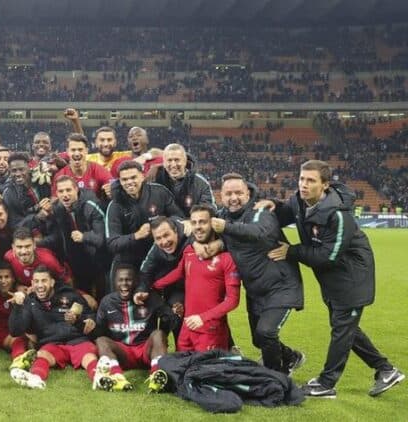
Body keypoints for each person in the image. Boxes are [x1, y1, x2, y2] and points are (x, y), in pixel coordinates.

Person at [263, 160, 404, 398]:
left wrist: (292, 250)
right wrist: (273, 205)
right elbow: (287, 213)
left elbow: (328, 256)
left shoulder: (338, 215)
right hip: (334, 279)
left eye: (310, 181)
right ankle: (386, 369)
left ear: (325, 185)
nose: (303, 185)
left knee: (342, 329)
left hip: (352, 278)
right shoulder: (299, 200)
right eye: (301, 179)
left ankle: (327, 382)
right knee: (346, 328)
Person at [211, 173, 305, 375]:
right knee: (258, 339)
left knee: (266, 332)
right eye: (228, 194)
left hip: (281, 285)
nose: (233, 198)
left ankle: (275, 379)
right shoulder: (222, 215)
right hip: (255, 289)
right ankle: (290, 357)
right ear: (221, 196)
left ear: (248, 193)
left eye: (238, 193)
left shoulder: (260, 211)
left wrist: (226, 227)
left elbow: (260, 232)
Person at [152, 205, 240, 352]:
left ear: (213, 223)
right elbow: (178, 272)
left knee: (202, 372)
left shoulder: (227, 258)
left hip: (211, 329)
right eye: (194, 222)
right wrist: (153, 286)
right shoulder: (189, 250)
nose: (197, 227)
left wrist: (203, 318)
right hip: (188, 325)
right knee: (180, 369)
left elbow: (233, 301)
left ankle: (232, 357)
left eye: (202, 222)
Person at [8, 266, 98, 390]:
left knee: (89, 356)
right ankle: (36, 379)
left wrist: (88, 321)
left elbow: (89, 315)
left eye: (44, 281)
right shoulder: (30, 302)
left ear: (52, 282)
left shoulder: (70, 295)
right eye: (36, 281)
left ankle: (99, 378)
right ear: (32, 283)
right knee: (42, 355)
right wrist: (18, 307)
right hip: (52, 344)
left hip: (78, 341)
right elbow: (15, 331)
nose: (40, 285)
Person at [93, 265, 171, 392]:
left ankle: (157, 375)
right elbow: (100, 331)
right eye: (121, 280)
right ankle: (117, 377)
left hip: (145, 350)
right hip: (123, 352)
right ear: (114, 282)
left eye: (128, 280)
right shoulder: (107, 302)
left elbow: (168, 319)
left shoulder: (150, 298)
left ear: (135, 281)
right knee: (101, 340)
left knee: (158, 334)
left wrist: (169, 317)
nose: (124, 284)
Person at [105, 160, 183, 272]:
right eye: (125, 179)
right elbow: (112, 243)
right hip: (129, 261)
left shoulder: (159, 192)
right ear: (120, 181)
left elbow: (179, 218)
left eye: (133, 177)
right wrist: (137, 235)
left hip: (161, 254)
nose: (129, 182)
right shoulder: (115, 205)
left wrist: (164, 227)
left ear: (142, 176)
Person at [41, 175, 107, 298]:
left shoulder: (90, 204)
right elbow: (56, 236)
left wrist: (84, 237)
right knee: (84, 298)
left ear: (76, 189)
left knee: (102, 295)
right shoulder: (57, 208)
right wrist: (48, 216)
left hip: (99, 260)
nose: (65, 195)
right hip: (76, 261)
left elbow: (103, 238)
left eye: (68, 190)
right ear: (56, 193)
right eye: (61, 191)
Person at [154, 143, 214, 216]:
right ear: (164, 163)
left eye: (177, 160)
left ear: (185, 161)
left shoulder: (201, 185)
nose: (173, 165)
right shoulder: (155, 183)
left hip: (192, 225)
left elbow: (207, 214)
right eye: (169, 160)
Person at [52, 133, 112, 202]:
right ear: (68, 151)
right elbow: (54, 201)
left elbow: (113, 187)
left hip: (93, 210)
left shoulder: (98, 170)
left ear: (86, 151)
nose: (77, 154)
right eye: (73, 150)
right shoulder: (60, 175)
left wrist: (110, 192)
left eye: (80, 150)